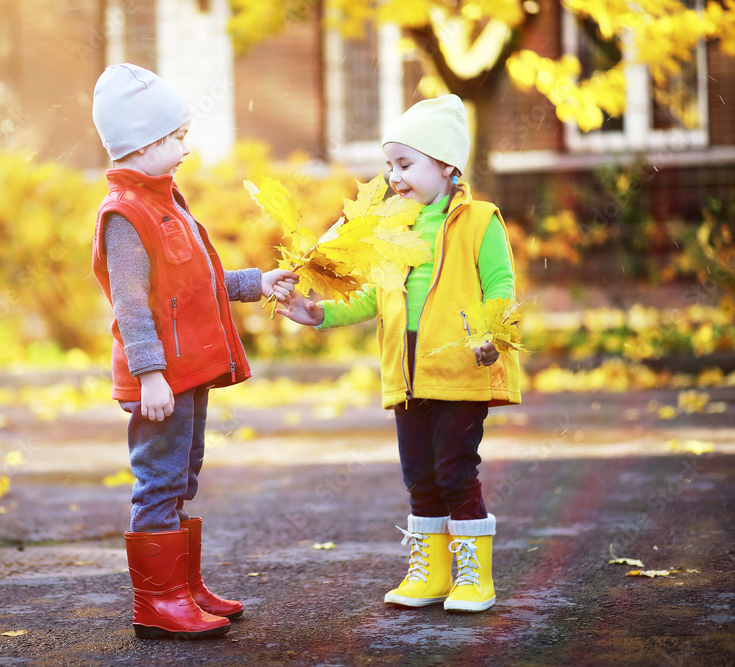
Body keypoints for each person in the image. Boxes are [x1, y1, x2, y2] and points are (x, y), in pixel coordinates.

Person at [277, 94, 520, 613]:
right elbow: (372, 295)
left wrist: (488, 334)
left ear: (447, 167)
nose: (394, 177)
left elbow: (500, 285)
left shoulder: (480, 221)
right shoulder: (393, 228)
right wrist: (317, 313)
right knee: (419, 476)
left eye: (406, 164)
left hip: (458, 366)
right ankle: (429, 575)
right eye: (389, 165)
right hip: (406, 372)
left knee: (455, 470)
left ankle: (474, 578)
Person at [91, 63, 297, 639]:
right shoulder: (125, 217)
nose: (186, 146)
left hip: (189, 373)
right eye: (176, 137)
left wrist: (258, 283)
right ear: (143, 142)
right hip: (163, 380)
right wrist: (150, 374)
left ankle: (183, 588)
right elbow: (131, 305)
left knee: (183, 475)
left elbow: (195, 281)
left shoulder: (167, 202)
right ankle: (158, 604)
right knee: (157, 480)